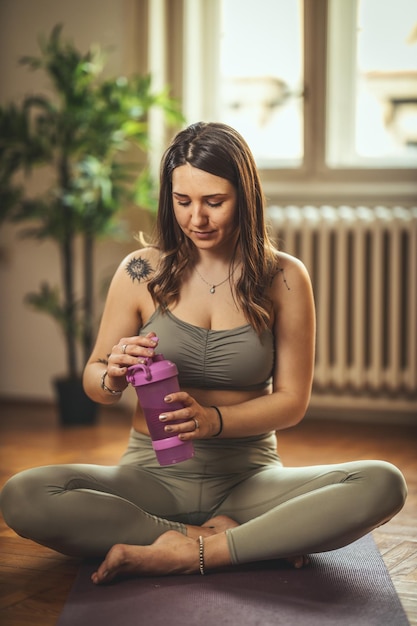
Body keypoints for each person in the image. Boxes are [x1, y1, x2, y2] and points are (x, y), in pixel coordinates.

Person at [0, 122, 407, 584]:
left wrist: (212, 420)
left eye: (215, 202)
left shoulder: (285, 277)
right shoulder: (139, 271)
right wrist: (112, 375)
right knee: (24, 494)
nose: (198, 218)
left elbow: (293, 402)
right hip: (150, 477)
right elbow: (94, 380)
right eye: (183, 202)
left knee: (383, 483)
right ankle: (229, 540)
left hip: (248, 479)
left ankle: (189, 552)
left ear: (245, 197)